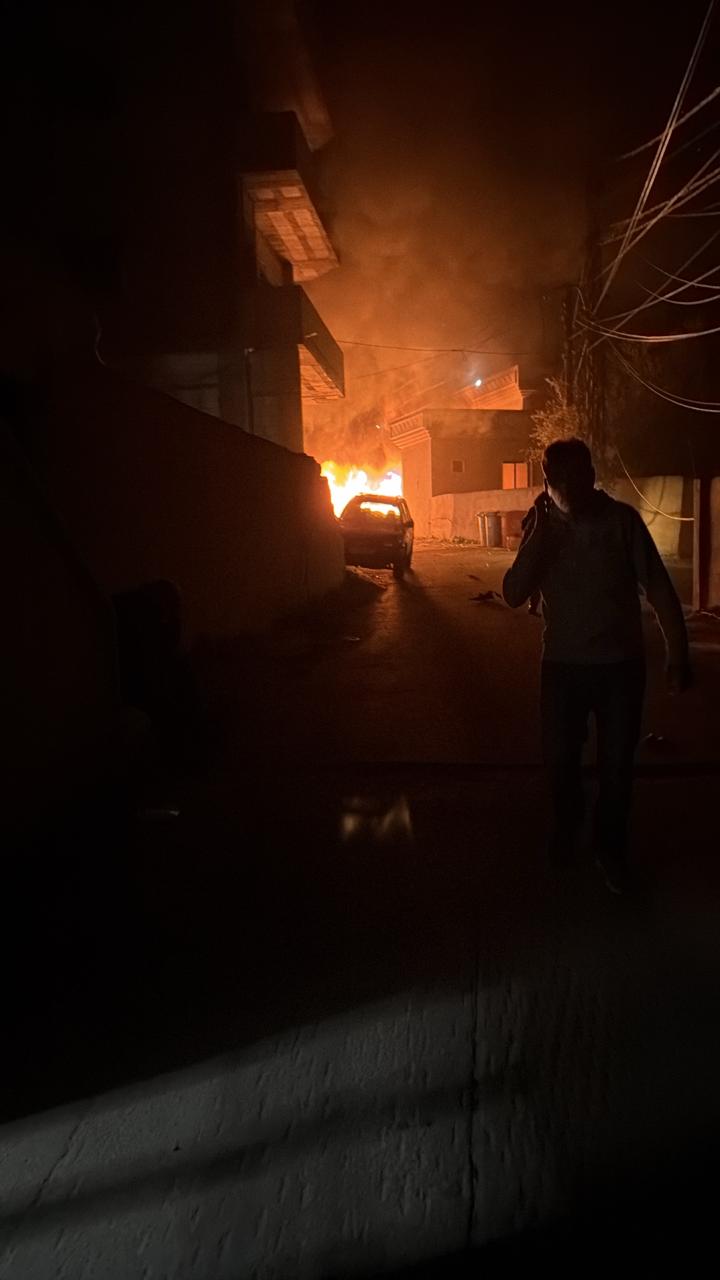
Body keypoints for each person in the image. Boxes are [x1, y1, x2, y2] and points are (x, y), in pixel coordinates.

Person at [503, 438, 691, 893]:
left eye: (576, 477)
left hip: (619, 668)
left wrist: (678, 653)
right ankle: (568, 829)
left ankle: (610, 849)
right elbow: (512, 592)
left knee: (617, 768)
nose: (568, 488)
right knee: (560, 762)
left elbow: (659, 588)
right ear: (547, 482)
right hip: (562, 667)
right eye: (559, 480)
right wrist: (540, 536)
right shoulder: (543, 528)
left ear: (590, 476)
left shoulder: (621, 522)